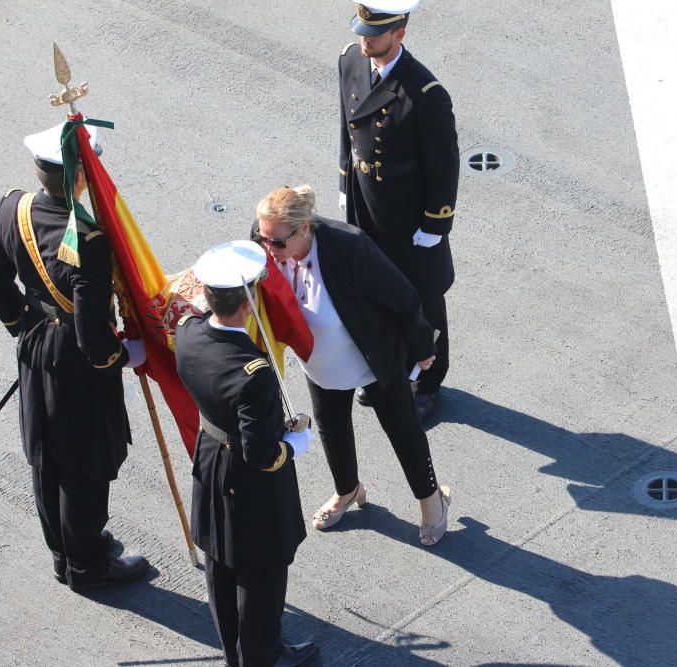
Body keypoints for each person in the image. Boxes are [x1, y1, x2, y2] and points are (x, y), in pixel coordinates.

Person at [0, 122, 151, 592]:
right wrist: (124, 355)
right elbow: (94, 337)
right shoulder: (89, 241)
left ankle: (63, 552)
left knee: (46, 455)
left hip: (35, 344)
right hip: (76, 358)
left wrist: (25, 326)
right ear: (80, 177)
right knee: (83, 462)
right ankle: (87, 565)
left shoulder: (11, 206)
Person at [254, 185, 452, 546]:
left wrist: (422, 347)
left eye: (277, 243)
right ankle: (348, 490)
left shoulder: (349, 247)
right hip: (318, 362)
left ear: (305, 229)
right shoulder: (268, 244)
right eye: (262, 238)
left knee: (402, 429)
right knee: (332, 428)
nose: (268, 250)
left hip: (371, 357)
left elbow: (403, 298)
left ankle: (432, 500)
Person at [175, 240, 318, 667]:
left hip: (210, 459)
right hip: (247, 477)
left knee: (220, 564)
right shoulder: (253, 372)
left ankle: (235, 655)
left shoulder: (186, 333)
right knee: (262, 573)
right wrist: (295, 443)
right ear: (249, 299)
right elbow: (261, 454)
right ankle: (262, 658)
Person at [338, 0, 460, 421]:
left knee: (422, 297)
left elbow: (444, 164)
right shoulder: (350, 61)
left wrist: (435, 223)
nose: (363, 40)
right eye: (362, 32)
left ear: (400, 35)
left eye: (373, 35)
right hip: (366, 202)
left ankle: (428, 381)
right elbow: (347, 127)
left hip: (408, 215)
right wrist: (344, 183)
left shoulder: (425, 93)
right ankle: (387, 367)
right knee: (371, 291)